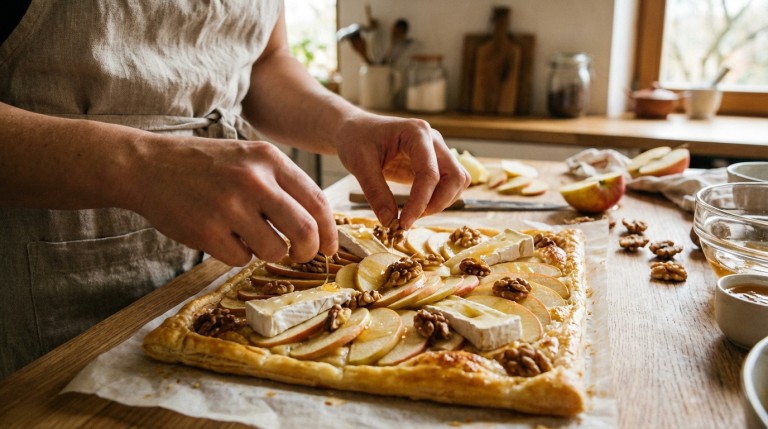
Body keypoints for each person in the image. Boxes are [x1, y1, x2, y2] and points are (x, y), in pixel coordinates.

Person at [0, 0, 470, 379]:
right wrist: (140, 166)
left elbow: (263, 62)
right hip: (48, 296)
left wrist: (348, 123)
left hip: (224, 273)